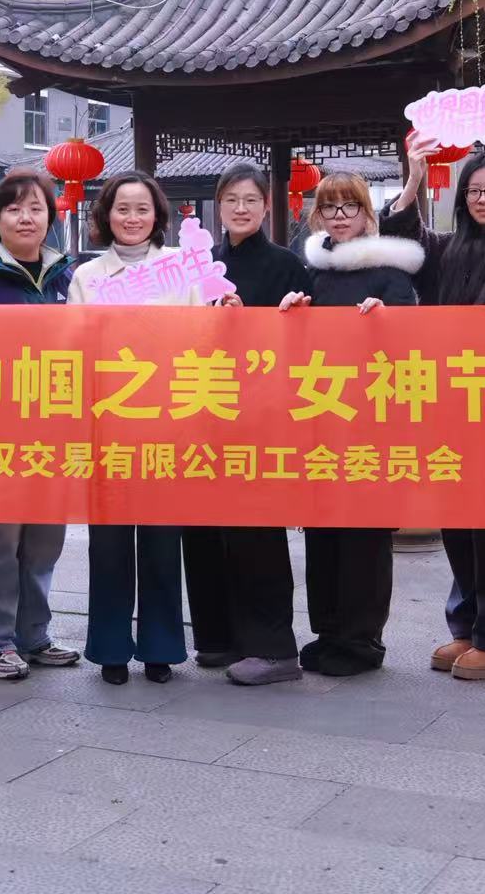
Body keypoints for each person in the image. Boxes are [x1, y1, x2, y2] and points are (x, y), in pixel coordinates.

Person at [383, 141, 485, 682]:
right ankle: (468, 625)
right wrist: (415, 177)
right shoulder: (453, 248)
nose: (483, 199)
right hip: (451, 405)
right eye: (474, 191)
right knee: (457, 519)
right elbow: (407, 244)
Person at [280, 171, 422, 676]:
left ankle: (362, 640)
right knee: (322, 531)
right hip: (322, 419)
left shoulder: (390, 271)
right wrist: (292, 312)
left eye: (350, 206)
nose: (339, 217)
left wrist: (388, 320)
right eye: (329, 207)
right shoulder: (313, 270)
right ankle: (329, 630)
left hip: (370, 425)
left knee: (363, 534)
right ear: (317, 215)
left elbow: (409, 346)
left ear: (367, 213)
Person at [0, 167, 83, 680]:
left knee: (44, 542)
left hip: (55, 432)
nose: (25, 218)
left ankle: (34, 636)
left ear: (50, 218)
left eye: (35, 208)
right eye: (13, 208)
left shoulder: (70, 280)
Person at [69, 170, 199, 685]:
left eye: (142, 208)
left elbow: (201, 344)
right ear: (106, 215)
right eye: (122, 208)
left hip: (166, 426)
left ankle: (161, 646)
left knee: (163, 545)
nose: (132, 218)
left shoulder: (181, 270)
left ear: (157, 215)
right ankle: (111, 647)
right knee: (109, 546)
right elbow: (75, 350)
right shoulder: (87, 276)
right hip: (108, 427)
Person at [198, 164, 314, 686]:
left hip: (263, 420)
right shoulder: (202, 265)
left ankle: (274, 648)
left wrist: (253, 321)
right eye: (230, 200)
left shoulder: (287, 266)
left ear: (267, 206)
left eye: (250, 200)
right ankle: (221, 638)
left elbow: (304, 347)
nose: (240, 209)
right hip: (206, 411)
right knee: (210, 531)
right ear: (218, 206)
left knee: (257, 533)